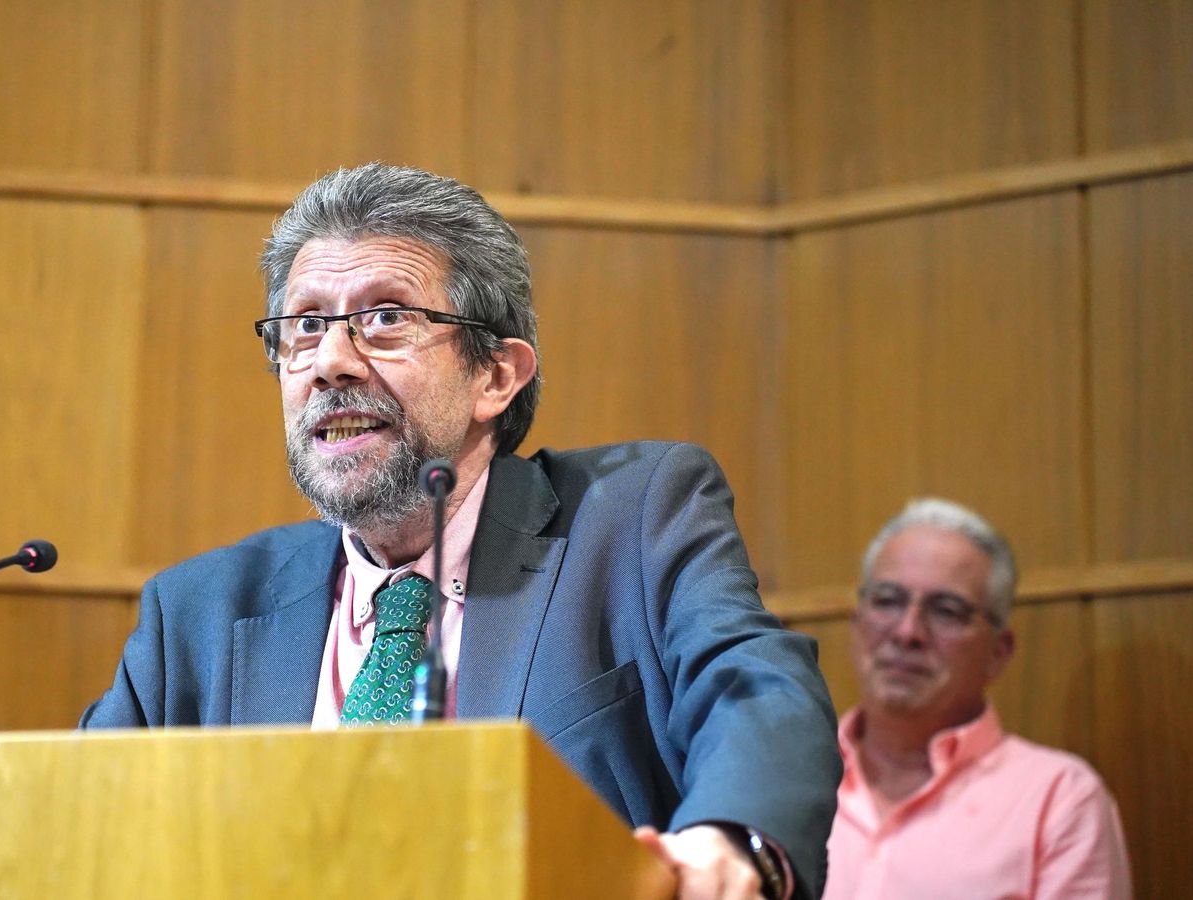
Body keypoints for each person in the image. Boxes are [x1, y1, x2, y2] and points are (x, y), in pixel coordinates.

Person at [82, 163, 840, 899]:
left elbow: (755, 686)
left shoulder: (633, 520)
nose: (331, 363)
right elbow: (80, 835)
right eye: (305, 326)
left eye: (385, 318)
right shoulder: (196, 615)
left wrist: (734, 839)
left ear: (496, 375)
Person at [825, 498, 1132, 898]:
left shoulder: (1059, 800)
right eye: (887, 600)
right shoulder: (779, 779)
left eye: (946, 610)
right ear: (856, 621)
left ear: (998, 652)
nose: (907, 632)